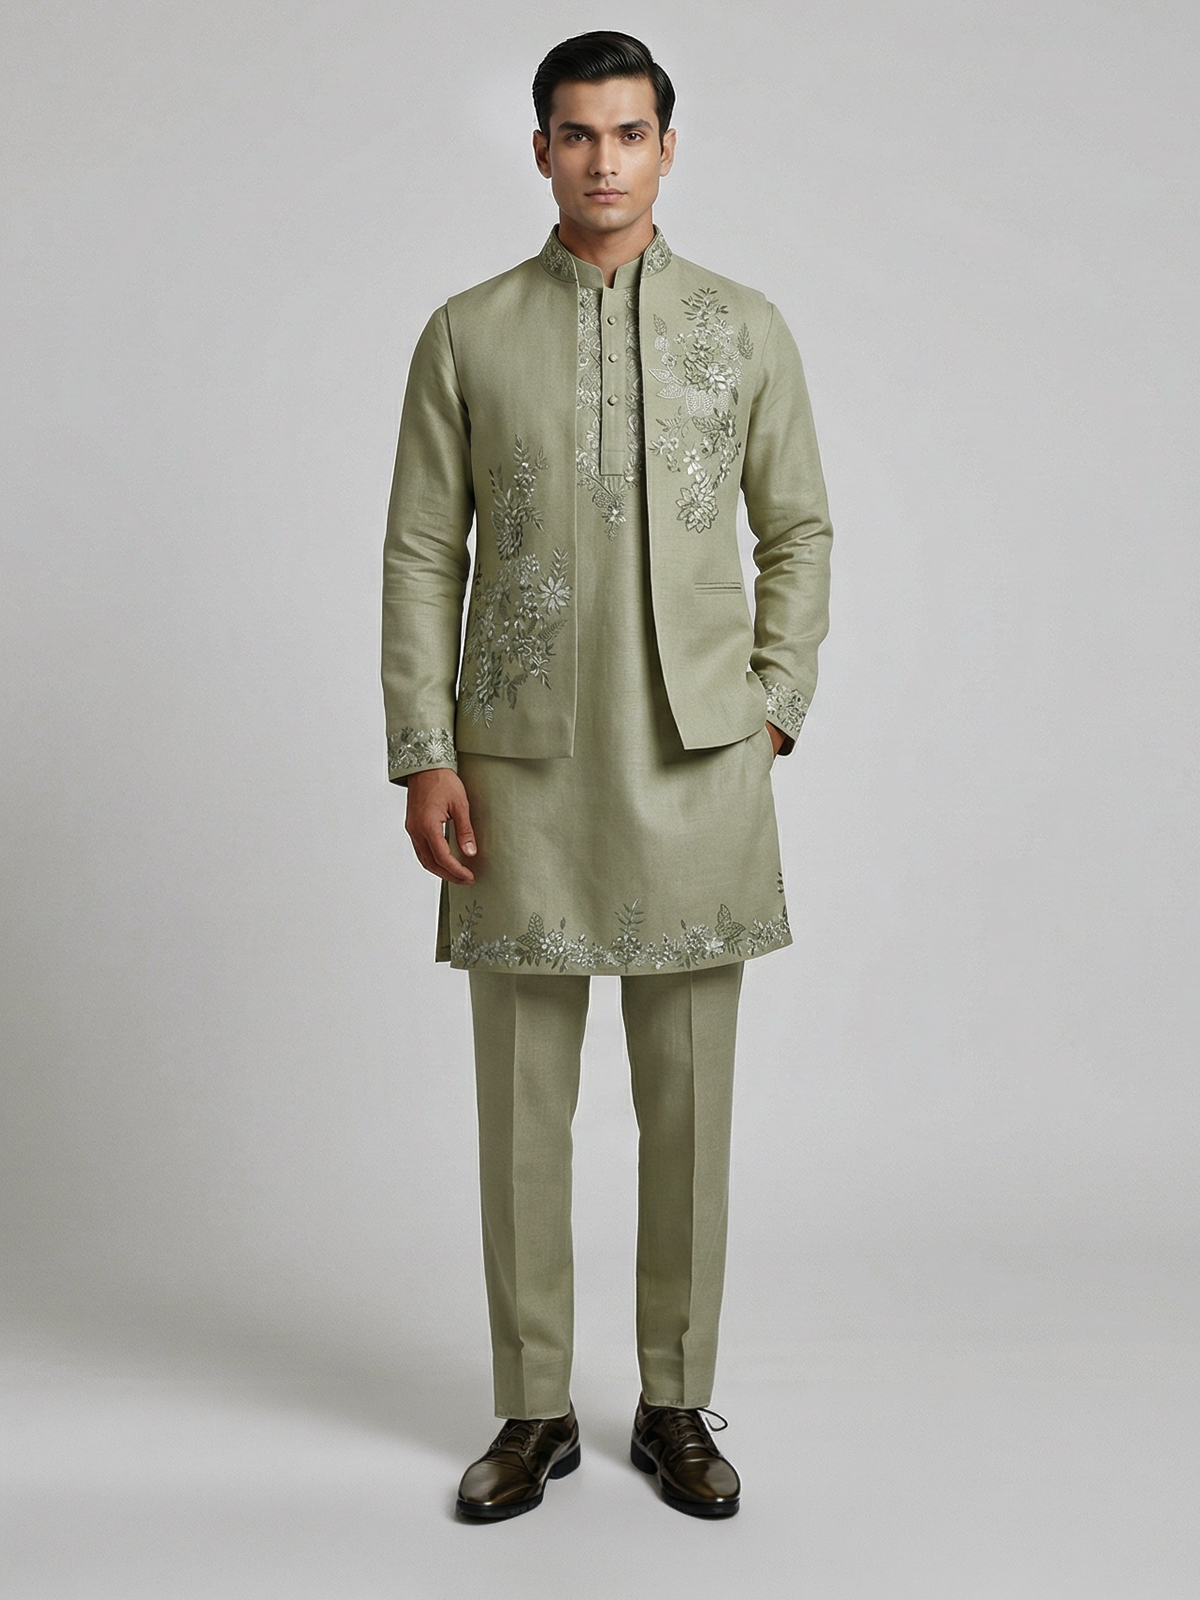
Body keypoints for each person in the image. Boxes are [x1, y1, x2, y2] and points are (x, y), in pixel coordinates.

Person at [382, 30, 832, 1521]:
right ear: (540, 151)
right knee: (523, 1108)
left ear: (668, 147)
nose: (603, 160)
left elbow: (799, 529)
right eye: (577, 134)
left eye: (629, 133)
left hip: (698, 764)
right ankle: (531, 1411)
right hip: (517, 773)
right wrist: (425, 752)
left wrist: (773, 706)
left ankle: (676, 1401)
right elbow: (422, 551)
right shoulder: (468, 332)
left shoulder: (744, 326)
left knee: (689, 1108)